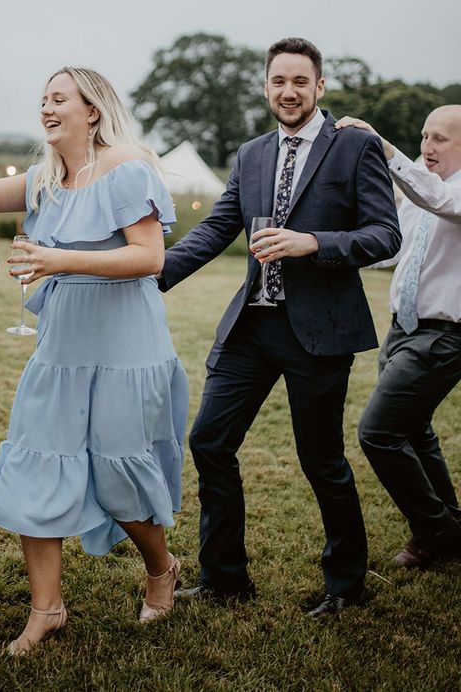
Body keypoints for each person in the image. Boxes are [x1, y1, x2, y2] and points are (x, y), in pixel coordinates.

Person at [158, 37, 401, 618]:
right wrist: (149, 274)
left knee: (321, 460)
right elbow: (217, 229)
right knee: (209, 441)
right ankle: (224, 578)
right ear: (266, 87)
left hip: (320, 333)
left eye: (300, 82)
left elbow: (385, 234)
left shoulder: (354, 147)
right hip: (252, 328)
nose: (288, 92)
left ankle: (346, 584)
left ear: (319, 87)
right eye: (278, 82)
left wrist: (313, 242)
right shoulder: (251, 154)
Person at [0, 67, 189, 654]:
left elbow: (149, 258)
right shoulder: (44, 178)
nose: (46, 107)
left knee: (120, 476)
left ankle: (161, 568)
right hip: (62, 346)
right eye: (42, 98)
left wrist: (56, 258)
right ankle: (47, 610)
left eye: (59, 98)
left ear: (92, 110)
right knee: (37, 468)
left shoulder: (125, 168)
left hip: (125, 344)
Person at [335, 107, 461, 568]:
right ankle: (450, 524)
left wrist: (386, 147)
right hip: (402, 328)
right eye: (424, 136)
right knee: (414, 429)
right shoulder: (419, 193)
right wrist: (324, 250)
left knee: (379, 433)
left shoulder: (444, 193)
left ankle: (437, 530)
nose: (427, 146)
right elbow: (390, 254)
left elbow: (439, 201)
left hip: (444, 334)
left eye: (440, 139)